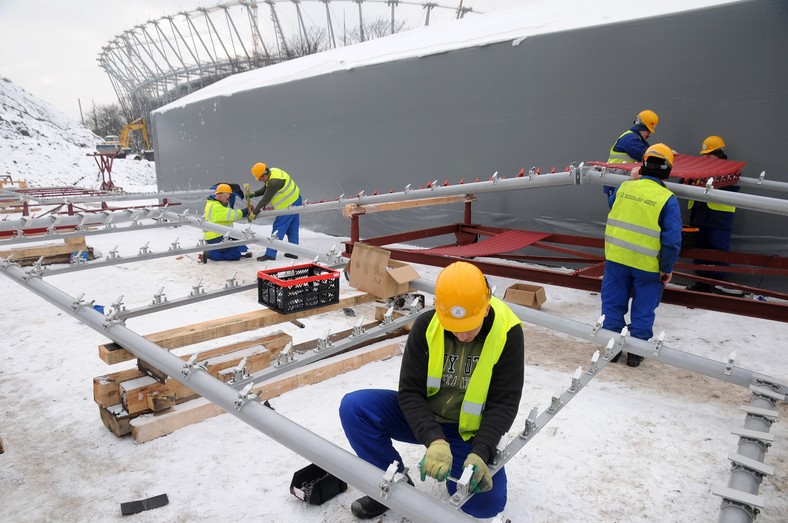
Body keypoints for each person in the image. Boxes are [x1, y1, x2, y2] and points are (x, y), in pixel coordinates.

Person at [339, 261, 524, 519]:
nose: (462, 336)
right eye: (454, 327)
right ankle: (391, 479)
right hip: (424, 417)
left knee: (486, 503)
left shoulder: (507, 333)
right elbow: (410, 391)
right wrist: (434, 439)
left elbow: (504, 402)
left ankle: (461, 461)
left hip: (467, 432)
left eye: (469, 326)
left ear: (486, 305)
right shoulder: (428, 325)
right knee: (356, 408)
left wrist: (482, 450)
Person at [601, 144, 682, 367]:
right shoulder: (668, 199)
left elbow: (613, 205)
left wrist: (632, 179)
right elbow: (672, 241)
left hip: (617, 260)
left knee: (613, 304)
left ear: (643, 165)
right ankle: (636, 352)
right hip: (648, 266)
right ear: (668, 170)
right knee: (644, 308)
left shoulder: (624, 188)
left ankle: (612, 346)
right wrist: (666, 268)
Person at [688, 135, 739, 292]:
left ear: (718, 153)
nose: (705, 158)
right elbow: (686, 182)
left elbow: (733, 188)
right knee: (700, 250)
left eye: (708, 155)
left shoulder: (731, 170)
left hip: (719, 219)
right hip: (700, 216)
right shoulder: (699, 167)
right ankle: (701, 282)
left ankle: (717, 284)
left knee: (718, 251)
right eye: (704, 155)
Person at [249, 162, 302, 262]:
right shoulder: (273, 172)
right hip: (295, 199)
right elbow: (266, 188)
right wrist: (254, 194)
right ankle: (295, 251)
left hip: (288, 205)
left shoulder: (274, 182)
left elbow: (265, 199)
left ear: (264, 175)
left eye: (260, 178)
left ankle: (270, 254)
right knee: (292, 227)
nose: (260, 181)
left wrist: (254, 213)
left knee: (278, 228)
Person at [604, 109, 659, 196]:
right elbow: (645, 155)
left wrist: (664, 152)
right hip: (617, 184)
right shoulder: (630, 139)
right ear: (642, 127)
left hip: (621, 182)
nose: (649, 134)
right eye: (648, 131)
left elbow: (651, 151)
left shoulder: (637, 139)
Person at [201, 183, 251, 262]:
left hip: (218, 235)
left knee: (240, 242)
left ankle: (217, 251)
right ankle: (210, 254)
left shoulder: (213, 203)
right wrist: (245, 211)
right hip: (217, 237)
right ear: (221, 196)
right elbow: (233, 215)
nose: (229, 199)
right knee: (235, 255)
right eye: (228, 197)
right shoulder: (216, 206)